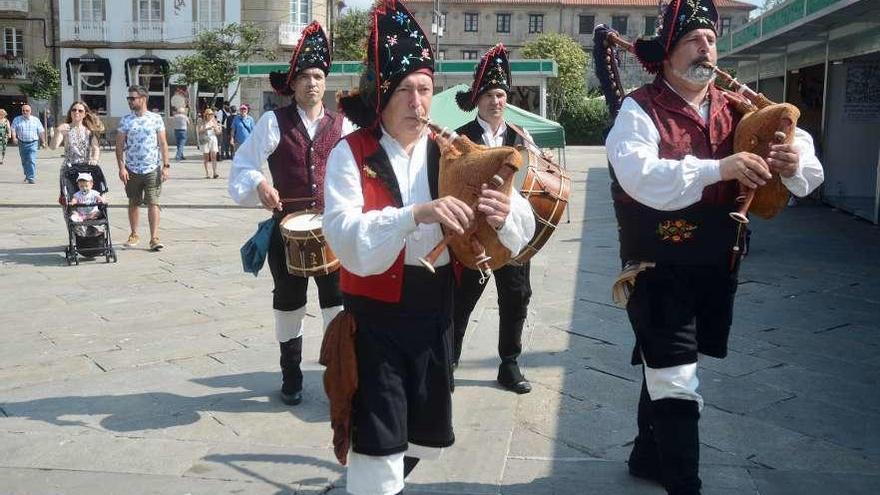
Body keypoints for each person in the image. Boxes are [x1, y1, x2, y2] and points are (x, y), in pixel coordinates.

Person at [604, 1, 824, 493]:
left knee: (670, 363)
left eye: (710, 39)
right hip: (655, 265)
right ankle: (685, 484)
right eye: (692, 40)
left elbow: (809, 170)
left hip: (715, 263)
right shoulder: (638, 109)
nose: (706, 48)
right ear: (666, 55)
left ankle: (646, 453)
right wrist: (718, 169)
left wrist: (792, 160)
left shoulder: (739, 108)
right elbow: (641, 178)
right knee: (678, 375)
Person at [324, 2, 535, 493]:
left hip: (435, 313)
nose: (419, 103)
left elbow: (521, 218)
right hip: (373, 321)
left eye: (425, 89)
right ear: (381, 95)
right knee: (378, 449)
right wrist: (415, 213)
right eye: (406, 91)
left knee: (424, 438)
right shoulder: (350, 153)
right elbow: (345, 237)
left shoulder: (453, 150)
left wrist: (507, 216)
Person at [229, 21, 355, 407]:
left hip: (332, 229)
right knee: (289, 302)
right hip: (287, 231)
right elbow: (243, 165)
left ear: (326, 82)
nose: (312, 83)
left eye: (318, 76)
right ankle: (292, 375)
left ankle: (337, 372)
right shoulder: (273, 121)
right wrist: (260, 186)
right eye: (303, 76)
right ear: (292, 83)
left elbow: (359, 172)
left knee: (336, 303)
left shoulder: (344, 124)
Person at [451, 43, 540, 395]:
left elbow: (535, 185)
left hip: (512, 234)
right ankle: (449, 362)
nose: (496, 101)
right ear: (477, 98)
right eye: (488, 94)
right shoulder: (460, 138)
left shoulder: (521, 138)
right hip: (473, 236)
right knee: (460, 301)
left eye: (501, 94)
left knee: (516, 297)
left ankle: (509, 364)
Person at [116, 84, 170, 252]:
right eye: (129, 98)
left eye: (133, 98)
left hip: (152, 168)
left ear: (143, 99)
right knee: (133, 202)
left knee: (153, 202)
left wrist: (166, 165)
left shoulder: (156, 118)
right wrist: (121, 167)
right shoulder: (125, 120)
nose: (130, 101)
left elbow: (163, 143)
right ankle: (134, 234)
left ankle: (154, 238)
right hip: (132, 169)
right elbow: (119, 147)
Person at [50, 101, 102, 168]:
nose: (76, 112)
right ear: (70, 112)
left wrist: (94, 159)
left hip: (85, 167)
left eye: (80, 111)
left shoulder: (89, 131)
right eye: (74, 110)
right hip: (69, 168)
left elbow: (96, 148)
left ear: (85, 114)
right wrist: (57, 132)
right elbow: (53, 147)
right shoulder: (65, 128)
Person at [10, 104, 47, 183]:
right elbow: (13, 129)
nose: (25, 112)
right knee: (24, 161)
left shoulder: (35, 120)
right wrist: (14, 138)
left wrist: (43, 142)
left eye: (27, 110)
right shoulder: (17, 119)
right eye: (23, 110)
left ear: (30, 111)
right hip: (22, 142)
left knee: (31, 159)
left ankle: (31, 177)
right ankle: (27, 175)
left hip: (33, 142)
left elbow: (41, 131)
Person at [199, 108, 222, 179]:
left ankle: (215, 172)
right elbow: (199, 131)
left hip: (213, 139)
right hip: (205, 139)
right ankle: (207, 173)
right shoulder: (202, 122)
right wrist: (207, 129)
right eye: (209, 114)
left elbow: (218, 132)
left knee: (214, 156)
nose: (211, 115)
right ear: (206, 115)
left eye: (212, 114)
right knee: (206, 157)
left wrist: (217, 128)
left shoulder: (214, 122)